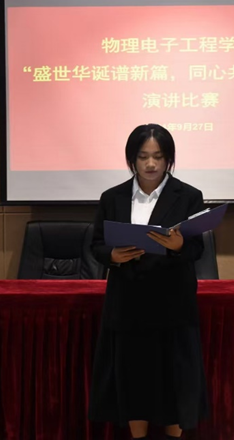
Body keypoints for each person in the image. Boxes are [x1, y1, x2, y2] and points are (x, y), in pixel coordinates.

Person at [88, 124, 209, 440]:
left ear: (169, 159)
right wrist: (113, 255)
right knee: (133, 379)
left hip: (172, 304)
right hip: (127, 303)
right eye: (143, 157)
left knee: (174, 380)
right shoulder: (112, 197)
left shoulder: (189, 196)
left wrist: (178, 246)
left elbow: (197, 249)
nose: (151, 164)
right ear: (132, 159)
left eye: (158, 156)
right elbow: (96, 245)